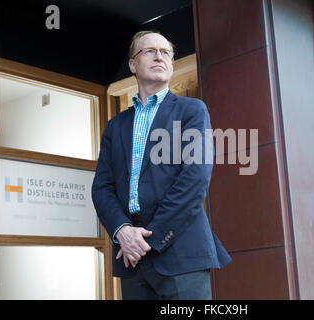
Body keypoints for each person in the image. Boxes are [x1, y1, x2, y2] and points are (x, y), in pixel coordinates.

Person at [91, 30, 231, 300]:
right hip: (130, 257)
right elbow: (102, 188)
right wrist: (123, 231)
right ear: (133, 64)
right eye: (150, 51)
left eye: (165, 52)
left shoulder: (192, 110)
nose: (160, 56)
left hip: (179, 251)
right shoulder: (116, 126)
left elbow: (195, 179)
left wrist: (148, 240)